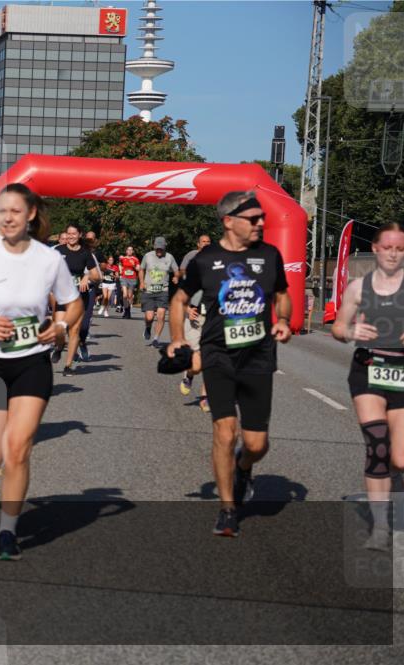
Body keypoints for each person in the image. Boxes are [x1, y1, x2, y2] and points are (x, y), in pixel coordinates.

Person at [0, 183, 81, 560]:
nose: (7, 217)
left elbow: (73, 305)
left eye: (15, 211)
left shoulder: (49, 260)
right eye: (2, 211)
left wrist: (58, 328)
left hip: (32, 362)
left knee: (18, 450)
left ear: (30, 216)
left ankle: (8, 531)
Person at [168, 190, 293, 538]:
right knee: (225, 432)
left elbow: (282, 296)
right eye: (253, 219)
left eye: (262, 218)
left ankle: (244, 467)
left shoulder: (269, 255)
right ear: (228, 221)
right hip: (217, 355)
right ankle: (227, 509)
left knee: (256, 444)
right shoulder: (206, 260)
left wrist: (283, 319)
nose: (261, 223)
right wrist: (178, 338)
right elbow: (178, 299)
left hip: (258, 357)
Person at [331, 222, 404, 550]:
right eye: (387, 247)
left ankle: (389, 476)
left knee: (402, 459)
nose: (393, 254)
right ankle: (380, 525)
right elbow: (337, 326)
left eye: (400, 248)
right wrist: (350, 333)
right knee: (377, 444)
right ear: (376, 248)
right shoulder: (359, 288)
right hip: (368, 370)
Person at [54, 224, 98, 375]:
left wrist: (87, 276)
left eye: (74, 234)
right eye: (68, 233)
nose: (71, 236)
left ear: (80, 235)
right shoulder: (58, 250)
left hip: (79, 298)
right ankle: (59, 347)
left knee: (74, 331)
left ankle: (68, 366)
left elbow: (97, 276)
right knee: (59, 329)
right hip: (61, 297)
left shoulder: (85, 253)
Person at [177, 235, 213, 409]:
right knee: (197, 362)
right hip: (195, 317)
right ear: (198, 245)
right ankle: (189, 375)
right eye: (203, 242)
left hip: (214, 319)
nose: (206, 245)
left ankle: (205, 396)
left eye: (209, 243)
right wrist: (187, 309)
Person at [139, 237, 179, 348]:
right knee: (149, 317)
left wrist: (176, 277)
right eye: (157, 249)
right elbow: (141, 269)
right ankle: (148, 327)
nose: (159, 251)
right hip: (149, 291)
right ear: (154, 247)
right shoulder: (147, 256)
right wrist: (142, 282)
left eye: (161, 249)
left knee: (161, 316)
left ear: (164, 247)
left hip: (163, 291)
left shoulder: (170, 257)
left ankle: (156, 338)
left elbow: (176, 270)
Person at [79, 230, 107, 358]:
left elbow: (100, 276)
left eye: (91, 243)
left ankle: (82, 342)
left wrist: (88, 276)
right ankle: (72, 352)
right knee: (71, 322)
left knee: (84, 325)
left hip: (89, 289)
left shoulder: (94, 256)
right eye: (87, 243)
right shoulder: (72, 254)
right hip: (71, 291)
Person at [118, 245, 140, 318]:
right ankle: (126, 310)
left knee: (130, 296)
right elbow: (120, 265)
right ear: (126, 251)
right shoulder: (123, 258)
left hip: (132, 279)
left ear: (132, 251)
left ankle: (128, 311)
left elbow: (138, 269)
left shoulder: (135, 259)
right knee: (125, 295)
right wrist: (121, 271)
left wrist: (134, 265)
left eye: (131, 250)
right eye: (128, 250)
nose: (130, 251)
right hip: (124, 278)